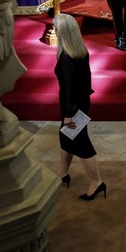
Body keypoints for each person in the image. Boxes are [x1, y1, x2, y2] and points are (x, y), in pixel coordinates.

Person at [53, 14, 105, 200]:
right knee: (65, 137)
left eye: (56, 29)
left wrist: (68, 115)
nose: (55, 32)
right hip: (81, 103)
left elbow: (69, 89)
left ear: (64, 32)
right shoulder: (80, 50)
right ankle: (62, 174)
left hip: (72, 106)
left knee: (80, 143)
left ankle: (97, 182)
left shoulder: (66, 57)